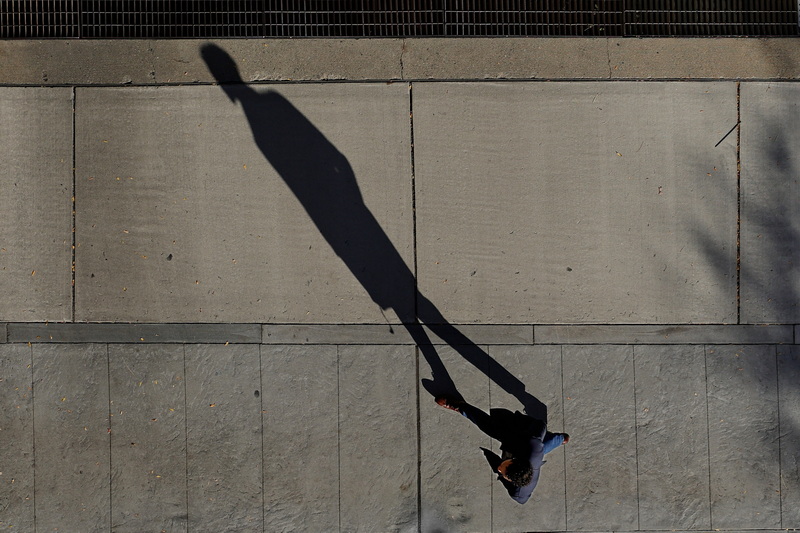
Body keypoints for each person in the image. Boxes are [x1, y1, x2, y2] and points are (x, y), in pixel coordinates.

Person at [435, 396, 569, 504]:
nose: (499, 470)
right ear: (513, 461)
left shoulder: (519, 495)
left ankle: (562, 439)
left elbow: (514, 485)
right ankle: (460, 406)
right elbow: (541, 426)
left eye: (504, 474)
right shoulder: (533, 445)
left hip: (528, 453)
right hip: (525, 437)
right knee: (490, 427)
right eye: (503, 468)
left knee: (543, 449)